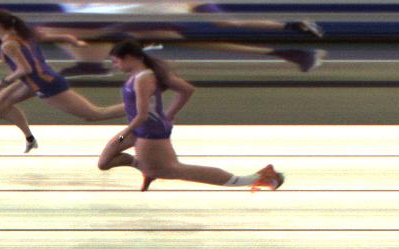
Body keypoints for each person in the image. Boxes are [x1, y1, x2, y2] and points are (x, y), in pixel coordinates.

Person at [97, 40, 283, 191]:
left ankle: (258, 177)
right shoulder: (142, 75)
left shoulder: (143, 79)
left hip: (148, 132)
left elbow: (143, 114)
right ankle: (148, 167)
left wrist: (126, 133)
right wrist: (168, 115)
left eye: (116, 61)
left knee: (177, 171)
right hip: (138, 129)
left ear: (128, 57)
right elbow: (186, 89)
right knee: (104, 162)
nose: (115, 66)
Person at [0, 9, 126, 152]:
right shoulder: (22, 34)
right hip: (34, 81)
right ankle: (30, 139)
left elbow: (25, 69)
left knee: (94, 114)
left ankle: (137, 109)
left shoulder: (9, 44)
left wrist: (2, 82)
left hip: (45, 83)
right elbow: (56, 38)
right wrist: (72, 41)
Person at [46, 2, 325, 77]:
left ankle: (91, 65)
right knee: (193, 39)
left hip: (149, 24)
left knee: (113, 36)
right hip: (149, 24)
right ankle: (291, 50)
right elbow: (230, 23)